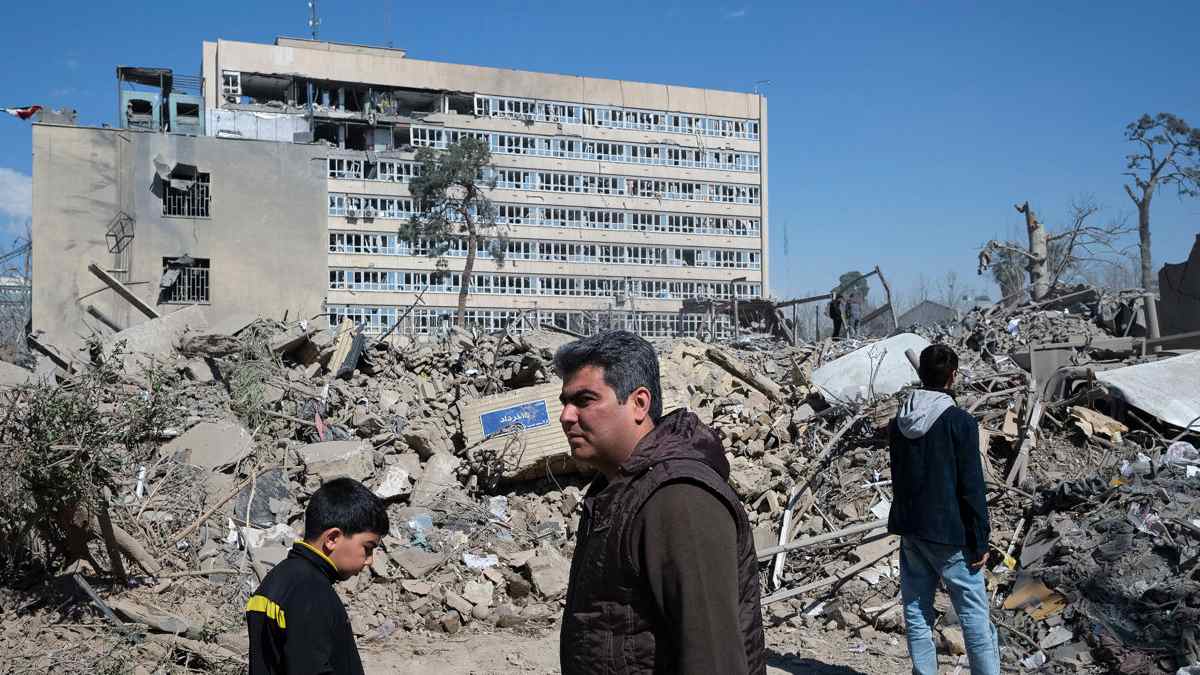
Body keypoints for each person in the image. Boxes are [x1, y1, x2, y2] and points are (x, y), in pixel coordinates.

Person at [555, 330, 765, 674]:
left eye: (584, 400)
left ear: (639, 403)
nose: (566, 416)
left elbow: (713, 660)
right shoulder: (617, 489)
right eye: (564, 401)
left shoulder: (679, 498)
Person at [888, 344, 998, 675]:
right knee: (974, 617)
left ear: (921, 375)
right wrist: (980, 538)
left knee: (917, 612)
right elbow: (972, 486)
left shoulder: (899, 422)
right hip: (951, 535)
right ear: (953, 376)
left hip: (912, 531)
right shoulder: (960, 422)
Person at [246, 477, 389, 675]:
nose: (369, 561)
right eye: (367, 548)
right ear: (332, 538)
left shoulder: (279, 579)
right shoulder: (309, 591)